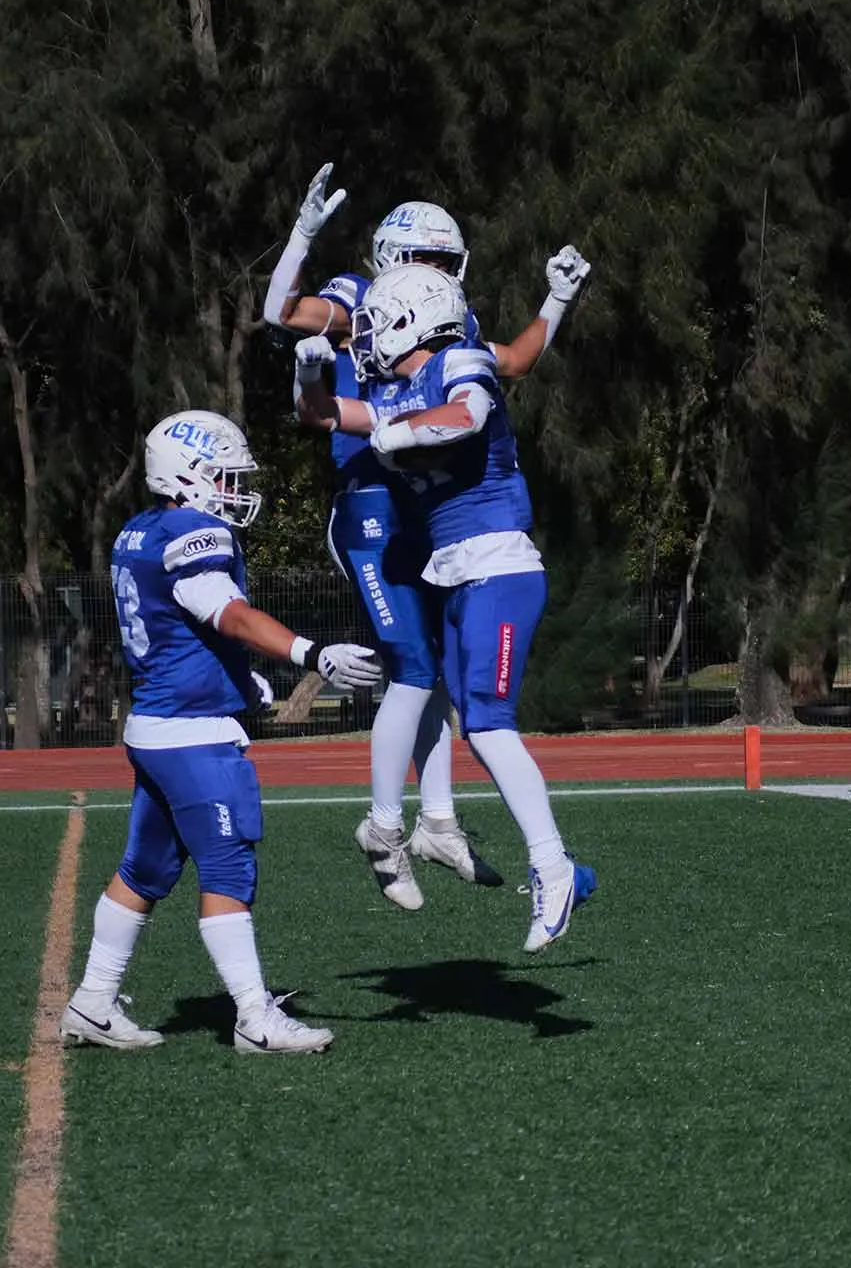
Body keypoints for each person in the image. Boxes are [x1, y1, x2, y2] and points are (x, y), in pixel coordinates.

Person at [262, 163, 589, 911]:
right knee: (412, 667)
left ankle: (437, 819)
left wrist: (558, 299)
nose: (439, 276)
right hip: (371, 493)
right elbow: (285, 318)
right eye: (428, 261)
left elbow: (513, 364)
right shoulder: (363, 303)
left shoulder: (450, 327)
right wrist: (301, 238)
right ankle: (386, 826)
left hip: (424, 509)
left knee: (434, 669)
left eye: (446, 264)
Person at [60, 409, 383, 1056]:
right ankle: (252, 1017)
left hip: (155, 721)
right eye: (222, 474)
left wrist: (240, 683)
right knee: (229, 869)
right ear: (184, 474)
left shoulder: (138, 532)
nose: (233, 488)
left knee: (144, 870)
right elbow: (227, 614)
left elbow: (184, 628)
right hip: (192, 737)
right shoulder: (194, 532)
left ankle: (92, 1003)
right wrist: (309, 654)